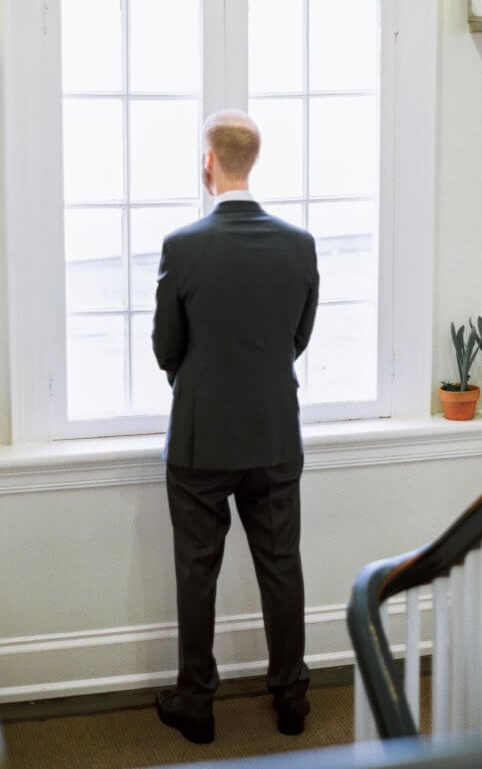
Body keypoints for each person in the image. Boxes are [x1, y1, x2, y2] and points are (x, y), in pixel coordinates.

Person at [152, 109, 319, 745]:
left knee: (197, 571)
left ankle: (196, 704)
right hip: (275, 431)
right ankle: (293, 700)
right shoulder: (298, 244)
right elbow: (296, 339)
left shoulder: (183, 246)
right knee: (282, 566)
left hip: (200, 437)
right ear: (253, 160)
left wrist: (202, 384)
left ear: (208, 162)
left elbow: (167, 346)